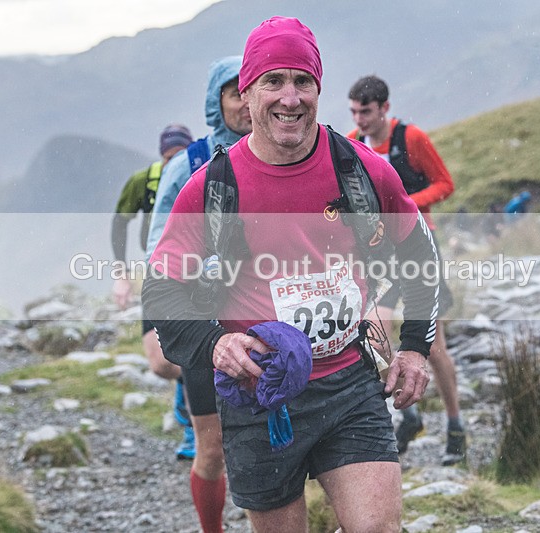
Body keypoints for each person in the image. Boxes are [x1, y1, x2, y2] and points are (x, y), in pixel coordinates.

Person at [142, 17, 439, 532]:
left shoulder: (361, 169)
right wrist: (213, 345)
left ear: (318, 89)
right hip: (260, 395)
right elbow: (162, 290)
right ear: (248, 95)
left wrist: (414, 346)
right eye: (273, 82)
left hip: (351, 384)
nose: (290, 97)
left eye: (303, 81)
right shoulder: (213, 187)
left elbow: (421, 253)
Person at [144, 55, 251, 533]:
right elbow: (159, 250)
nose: (246, 103)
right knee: (212, 448)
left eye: (251, 90)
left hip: (267, 319)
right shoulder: (188, 164)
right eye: (235, 93)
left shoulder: (286, 158)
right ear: (217, 102)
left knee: (273, 444)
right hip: (202, 321)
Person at [347, 74, 467, 465]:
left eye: (365, 111)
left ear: (384, 108)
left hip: (420, 249)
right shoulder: (350, 144)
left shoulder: (411, 139)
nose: (359, 119)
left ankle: (455, 425)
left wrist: (405, 204)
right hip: (379, 254)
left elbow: (445, 184)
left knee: (434, 347)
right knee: (373, 334)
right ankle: (410, 413)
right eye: (354, 112)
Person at [110, 123, 195, 456]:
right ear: (162, 155)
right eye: (170, 156)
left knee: (197, 351)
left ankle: (194, 430)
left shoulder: (202, 171)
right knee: (161, 363)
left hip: (197, 276)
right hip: (157, 276)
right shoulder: (144, 181)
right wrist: (121, 273)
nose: (175, 162)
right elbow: (120, 220)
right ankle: (186, 394)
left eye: (181, 155)